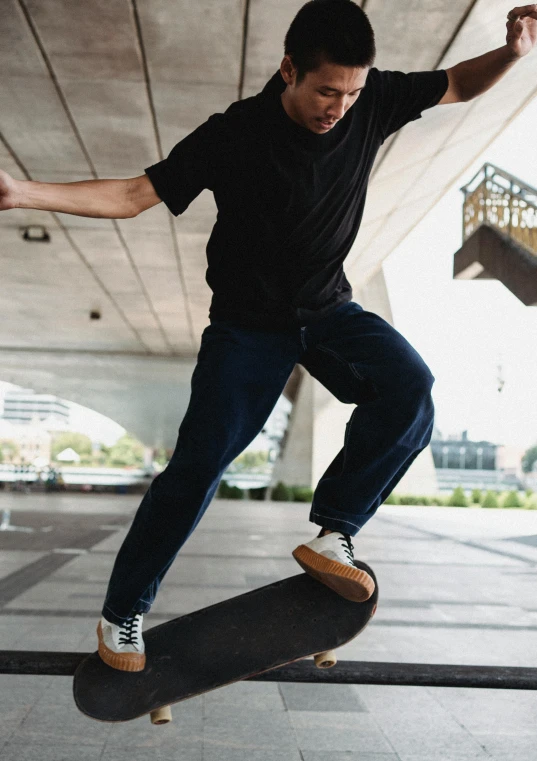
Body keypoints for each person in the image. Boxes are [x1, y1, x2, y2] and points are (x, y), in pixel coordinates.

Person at [0, 1, 535, 672]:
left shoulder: (372, 99)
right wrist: (23, 192)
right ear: (288, 69)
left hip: (330, 311)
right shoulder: (235, 133)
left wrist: (512, 54)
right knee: (197, 467)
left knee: (409, 389)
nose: (338, 106)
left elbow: (455, 82)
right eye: (325, 91)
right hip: (248, 328)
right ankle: (122, 613)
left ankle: (334, 533)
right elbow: (135, 194)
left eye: (350, 92)